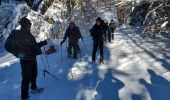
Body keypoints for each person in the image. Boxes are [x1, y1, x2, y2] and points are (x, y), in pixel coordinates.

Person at [14, 17, 47, 100]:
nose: (30, 26)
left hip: (32, 58)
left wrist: (43, 43)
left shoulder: (29, 34)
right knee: (26, 78)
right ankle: (24, 97)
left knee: (34, 75)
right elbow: (8, 46)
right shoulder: (18, 34)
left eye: (30, 24)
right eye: (29, 24)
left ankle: (33, 88)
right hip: (25, 61)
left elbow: (34, 46)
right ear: (25, 25)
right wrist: (21, 55)